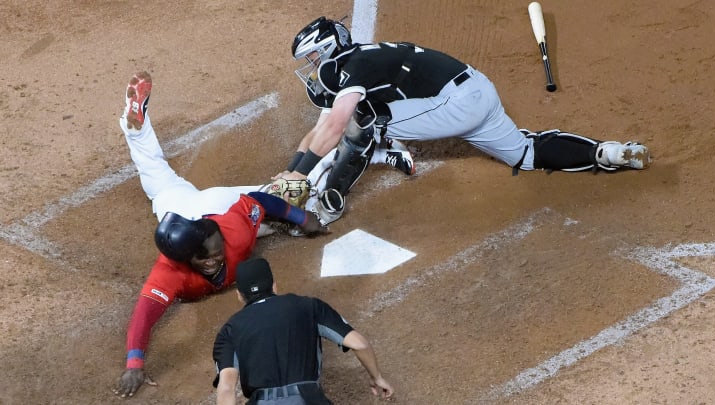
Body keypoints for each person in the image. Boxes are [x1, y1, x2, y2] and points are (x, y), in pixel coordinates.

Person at [274, 16, 651, 225]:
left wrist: (303, 176)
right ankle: (607, 152)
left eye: (312, 58)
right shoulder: (359, 59)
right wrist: (290, 170)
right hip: (478, 92)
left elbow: (335, 126)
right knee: (524, 153)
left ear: (325, 51)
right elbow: (320, 127)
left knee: (365, 119)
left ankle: (331, 203)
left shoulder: (351, 68)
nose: (311, 68)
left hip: (455, 106)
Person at [113, 72, 328, 398]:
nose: (216, 258)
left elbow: (262, 201)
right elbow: (144, 315)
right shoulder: (169, 271)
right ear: (187, 259)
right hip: (177, 208)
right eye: (208, 258)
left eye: (216, 252)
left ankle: (349, 154)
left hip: (217, 206)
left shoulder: (233, 231)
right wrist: (134, 364)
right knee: (155, 175)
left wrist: (303, 218)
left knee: (290, 192)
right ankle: (138, 125)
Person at [213, 257, 394, 404]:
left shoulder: (229, 330)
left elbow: (227, 388)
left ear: (239, 296)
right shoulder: (309, 306)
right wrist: (376, 377)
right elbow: (360, 344)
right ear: (274, 286)